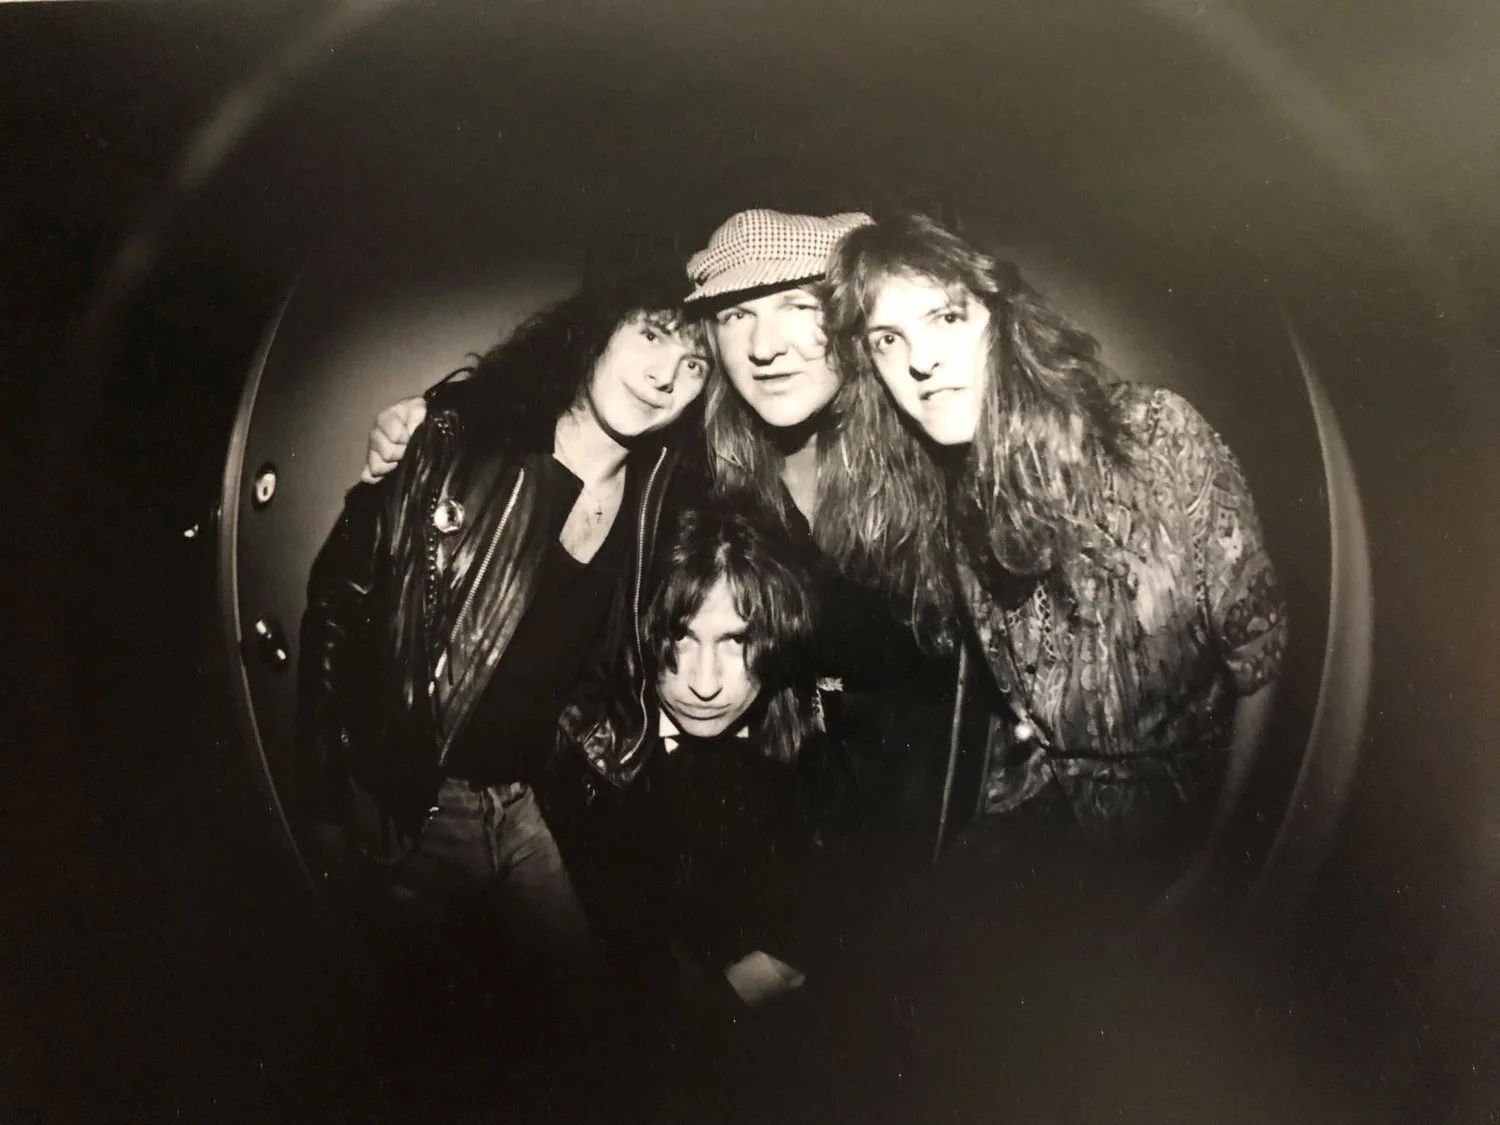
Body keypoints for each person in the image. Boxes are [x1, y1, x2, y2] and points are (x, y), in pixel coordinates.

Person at [361, 210, 964, 864]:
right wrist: (441, 416)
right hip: (778, 791)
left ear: (848, 319)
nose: (764, 345)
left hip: (931, 805)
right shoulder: (693, 462)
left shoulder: (937, 437)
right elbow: (556, 405)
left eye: (797, 304)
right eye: (736, 314)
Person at [293, 250, 712, 1026]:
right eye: (652, 334)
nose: (666, 375)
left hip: (530, 805)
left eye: (694, 364)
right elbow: (337, 602)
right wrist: (319, 800)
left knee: (584, 1029)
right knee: (420, 1035)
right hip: (417, 805)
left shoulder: (661, 497)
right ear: (599, 329)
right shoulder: (465, 436)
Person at [820, 211, 1289, 896]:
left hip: (1190, 831)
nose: (920, 362)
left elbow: (1263, 663)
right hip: (1052, 832)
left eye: (946, 318)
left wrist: (1227, 861)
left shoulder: (1154, 436)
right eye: (888, 340)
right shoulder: (947, 493)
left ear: (1003, 318)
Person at [542, 498, 850, 1022]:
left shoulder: (821, 748)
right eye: (680, 636)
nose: (705, 684)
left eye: (737, 640)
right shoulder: (580, 760)